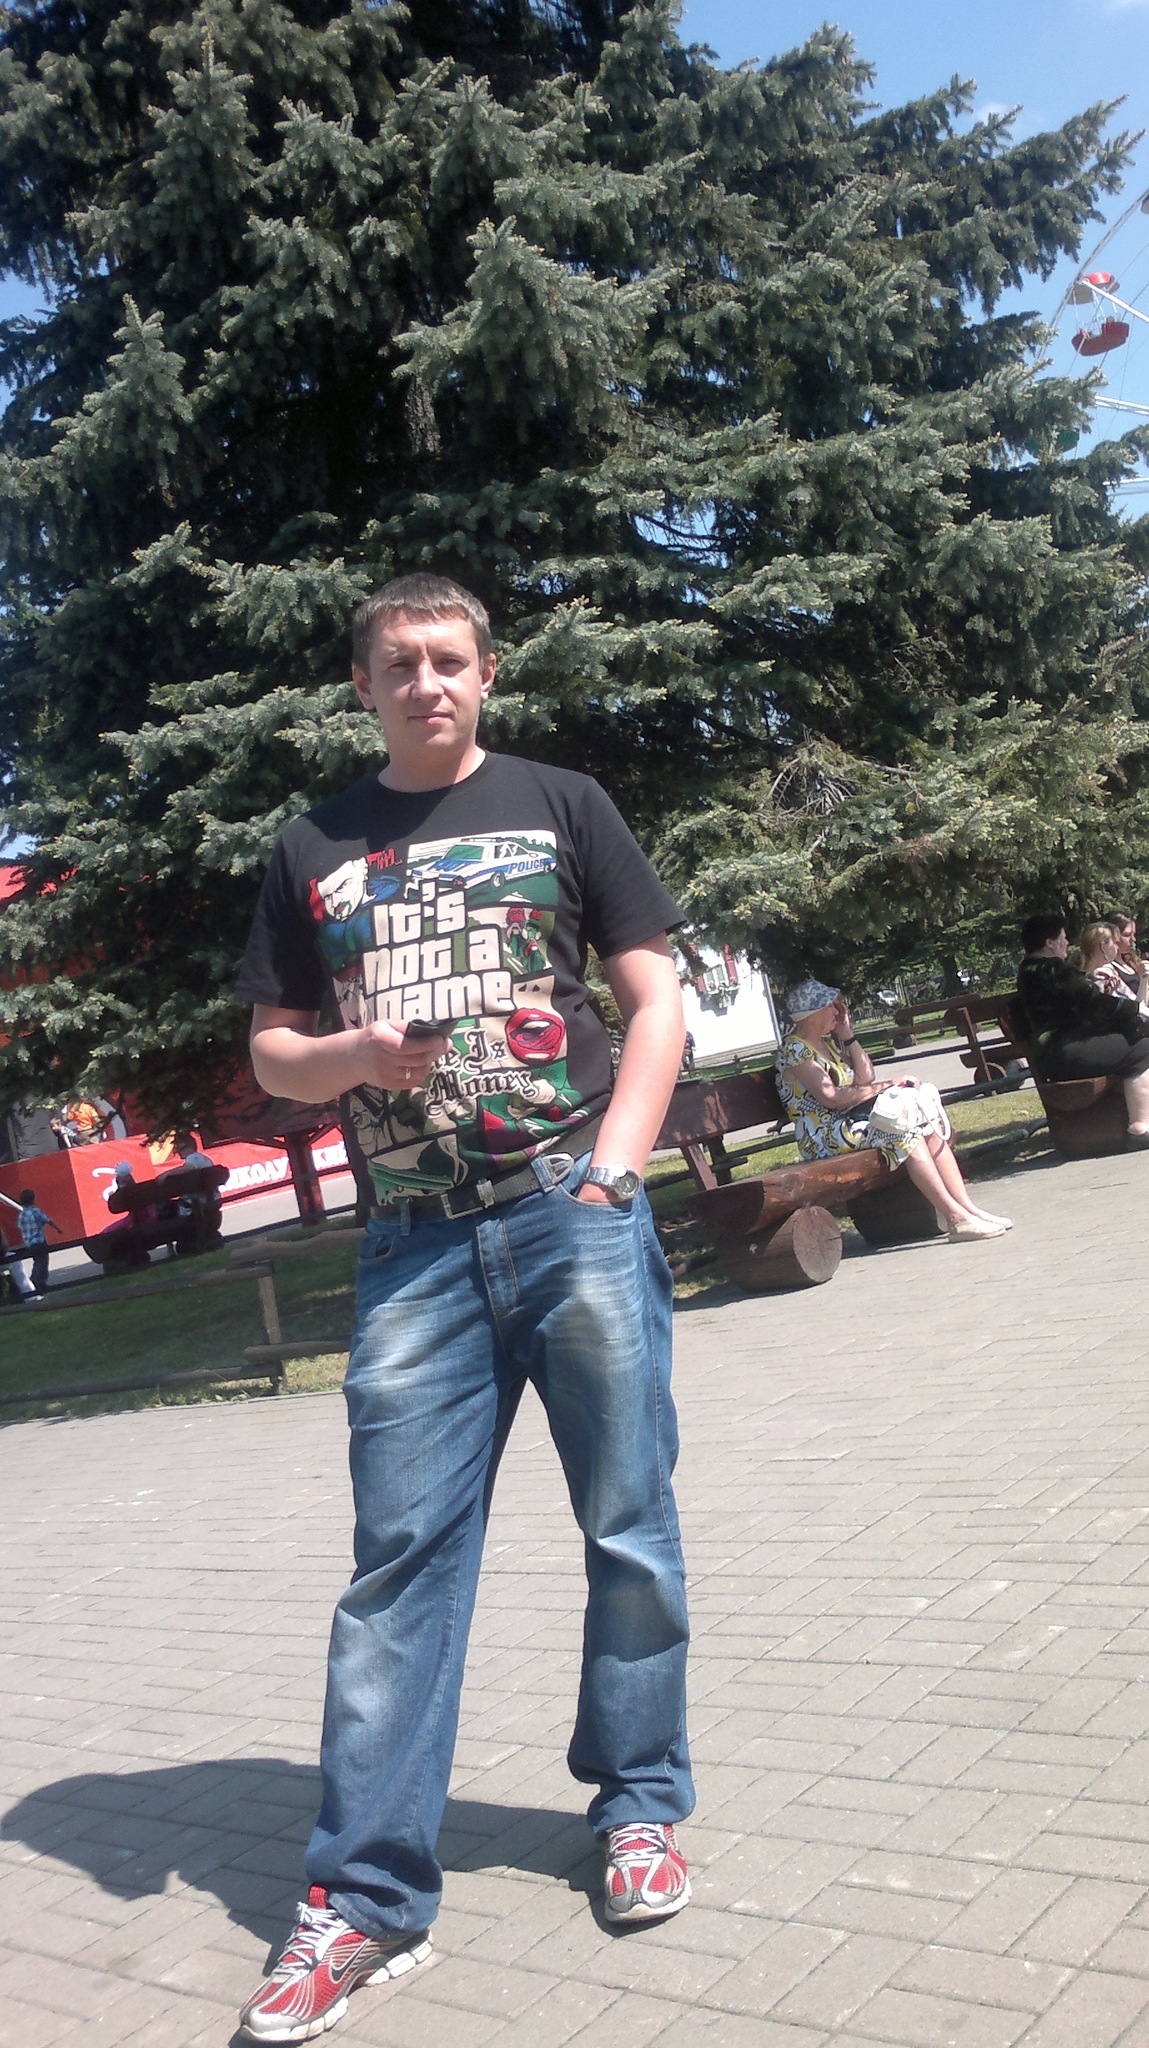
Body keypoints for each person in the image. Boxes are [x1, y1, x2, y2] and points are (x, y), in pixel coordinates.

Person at [234, 573, 694, 2043]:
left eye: (449, 659)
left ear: (486, 673)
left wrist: (616, 1171)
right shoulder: (313, 845)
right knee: (398, 1569)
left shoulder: (563, 802)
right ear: (363, 686)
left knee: (627, 1522)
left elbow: (656, 995)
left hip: (571, 1212)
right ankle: (365, 1896)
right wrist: (353, 1057)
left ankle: (637, 1804)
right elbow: (271, 1053)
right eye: (399, 663)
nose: (426, 681)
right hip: (414, 1251)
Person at [776, 979, 1011, 1241]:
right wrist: (887, 1085)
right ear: (812, 1013)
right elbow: (831, 1098)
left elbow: (865, 1078)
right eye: (830, 1006)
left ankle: (968, 1209)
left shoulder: (826, 1045)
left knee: (930, 1127)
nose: (837, 1011)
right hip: (822, 1134)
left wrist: (848, 1035)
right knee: (906, 1133)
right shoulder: (795, 1049)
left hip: (849, 1122)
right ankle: (956, 1219)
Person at [1016, 913, 1149, 1144]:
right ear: (1050, 942)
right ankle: (1139, 1128)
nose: (1067, 942)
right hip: (1064, 1049)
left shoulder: (1029, 970)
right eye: (1063, 938)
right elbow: (1091, 1001)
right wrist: (1136, 1009)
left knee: (1136, 1041)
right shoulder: (1052, 968)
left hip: (1053, 1052)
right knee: (1142, 1048)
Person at [1078, 921, 1149, 1017]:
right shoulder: (1102, 974)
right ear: (1103, 947)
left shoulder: (1084, 975)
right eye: (1115, 943)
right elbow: (1136, 1009)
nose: (1117, 947)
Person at [17, 1189, 61, 1295]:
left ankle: (34, 1281)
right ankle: (39, 1282)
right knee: (43, 1262)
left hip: (29, 1243)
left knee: (37, 1261)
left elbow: (20, 1227)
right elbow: (48, 1220)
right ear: (33, 1199)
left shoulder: (22, 1215)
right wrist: (57, 1228)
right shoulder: (36, 1212)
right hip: (39, 1241)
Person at [1102, 911, 1149, 1006]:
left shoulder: (1133, 962)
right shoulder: (1107, 970)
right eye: (1127, 935)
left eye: (1134, 934)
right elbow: (1135, 1007)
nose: (1133, 940)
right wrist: (1144, 980)